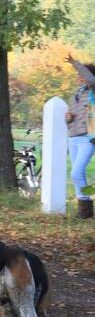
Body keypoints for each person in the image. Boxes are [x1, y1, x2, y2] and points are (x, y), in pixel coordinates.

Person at [66, 55, 95, 219]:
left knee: (76, 173)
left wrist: (75, 64)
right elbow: (71, 119)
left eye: (81, 75)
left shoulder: (93, 91)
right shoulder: (76, 95)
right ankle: (84, 212)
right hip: (73, 137)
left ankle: (86, 201)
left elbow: (92, 80)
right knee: (79, 173)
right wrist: (68, 118)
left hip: (87, 138)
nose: (79, 78)